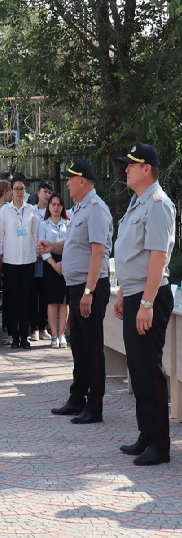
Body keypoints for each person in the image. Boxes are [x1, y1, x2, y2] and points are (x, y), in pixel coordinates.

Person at [113, 143, 175, 465]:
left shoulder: (158, 204)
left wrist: (147, 303)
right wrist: (125, 291)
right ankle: (146, 434)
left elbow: (158, 258)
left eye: (131, 165)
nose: (126, 169)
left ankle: (159, 445)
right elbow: (131, 254)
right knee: (137, 369)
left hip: (150, 295)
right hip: (136, 293)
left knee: (149, 370)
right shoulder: (137, 204)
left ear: (146, 168)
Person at [41, 160, 112, 425]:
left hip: (89, 287)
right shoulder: (80, 209)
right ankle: (78, 397)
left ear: (82, 181)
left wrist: (89, 291)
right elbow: (74, 245)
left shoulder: (96, 210)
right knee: (79, 346)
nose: (67, 183)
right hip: (77, 287)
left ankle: (95, 405)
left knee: (92, 347)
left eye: (70, 179)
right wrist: (52, 245)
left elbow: (98, 252)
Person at [0, 175, 40, 349]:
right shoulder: (5, 211)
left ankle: (24, 336)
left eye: (22, 189)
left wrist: (36, 255)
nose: (19, 192)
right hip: (11, 261)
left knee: (26, 300)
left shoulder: (31, 210)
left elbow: (35, 234)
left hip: (28, 260)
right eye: (16, 189)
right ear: (11, 191)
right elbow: (1, 235)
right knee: (12, 299)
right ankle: (13, 336)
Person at [39, 193, 70, 348]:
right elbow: (42, 248)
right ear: (49, 206)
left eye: (59, 204)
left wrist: (63, 263)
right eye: (53, 204)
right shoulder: (43, 224)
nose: (56, 207)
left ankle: (62, 334)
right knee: (52, 301)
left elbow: (72, 246)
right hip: (50, 264)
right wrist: (54, 264)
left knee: (64, 301)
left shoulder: (68, 224)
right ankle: (53, 335)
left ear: (62, 207)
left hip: (66, 264)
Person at [30, 181, 54, 342]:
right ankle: (33, 328)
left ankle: (43, 326)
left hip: (48, 258)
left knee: (46, 293)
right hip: (32, 258)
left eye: (49, 192)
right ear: (38, 193)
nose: (47, 195)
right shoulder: (31, 211)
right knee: (33, 294)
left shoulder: (53, 211)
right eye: (44, 191)